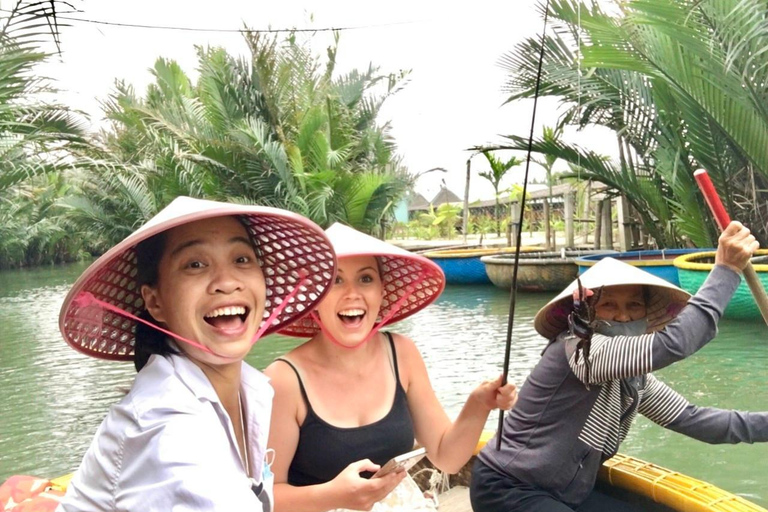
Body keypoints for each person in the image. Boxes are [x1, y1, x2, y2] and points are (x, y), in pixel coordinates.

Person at [56, 196, 337, 512]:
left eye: (242, 259)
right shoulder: (164, 425)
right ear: (155, 302)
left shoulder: (249, 388)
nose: (227, 282)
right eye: (195, 264)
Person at [470, 221, 768, 512]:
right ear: (585, 312)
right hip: (509, 488)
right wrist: (726, 270)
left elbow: (694, 419)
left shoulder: (633, 377)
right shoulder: (580, 351)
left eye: (634, 306)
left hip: (567, 493)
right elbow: (675, 343)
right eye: (609, 305)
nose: (624, 317)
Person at [265, 223, 518, 512]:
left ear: (382, 292)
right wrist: (333, 495)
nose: (352, 294)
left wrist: (479, 403)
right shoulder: (283, 380)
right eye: (335, 280)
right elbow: (264, 497)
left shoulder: (401, 353)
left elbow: (446, 456)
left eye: (366, 279)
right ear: (314, 296)